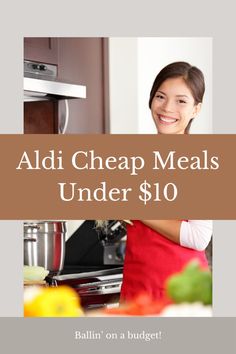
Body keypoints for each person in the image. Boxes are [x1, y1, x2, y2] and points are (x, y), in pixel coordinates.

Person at [120, 62, 212, 302]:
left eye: (181, 101)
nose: (167, 108)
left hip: (182, 293)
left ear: (196, 109)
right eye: (160, 97)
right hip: (136, 287)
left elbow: (199, 237)